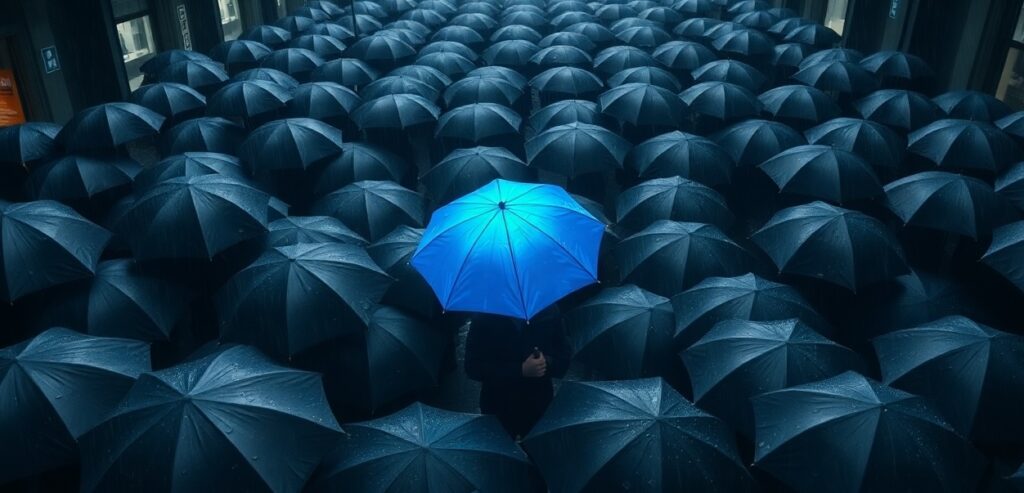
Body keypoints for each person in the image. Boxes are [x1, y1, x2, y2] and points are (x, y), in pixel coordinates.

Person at [464, 306, 571, 439]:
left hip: (538, 405)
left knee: (537, 454)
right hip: (498, 406)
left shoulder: (548, 312)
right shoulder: (485, 316)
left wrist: (546, 363)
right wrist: (519, 370)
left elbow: (564, 358)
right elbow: (472, 367)